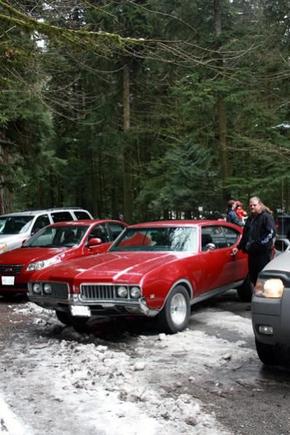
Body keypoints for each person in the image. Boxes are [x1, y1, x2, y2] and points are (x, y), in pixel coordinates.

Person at [232, 196, 276, 286]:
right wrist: (239, 247)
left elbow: (271, 233)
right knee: (253, 276)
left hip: (263, 253)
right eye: (250, 205)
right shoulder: (250, 219)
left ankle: (263, 297)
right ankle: (256, 294)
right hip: (252, 253)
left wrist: (259, 244)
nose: (252, 207)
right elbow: (245, 235)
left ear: (259, 205)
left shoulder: (266, 217)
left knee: (262, 277)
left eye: (254, 205)